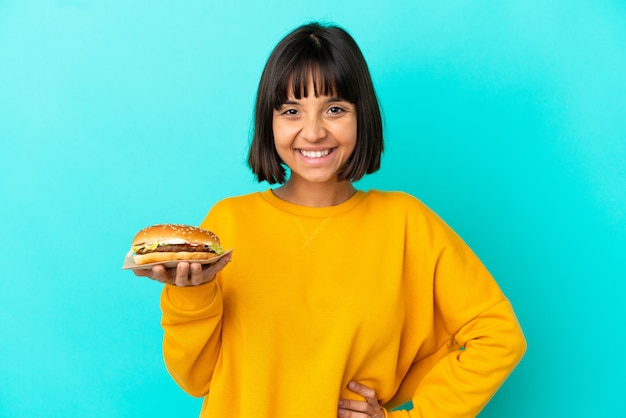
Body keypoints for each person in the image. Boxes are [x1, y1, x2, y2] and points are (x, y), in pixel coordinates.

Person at [134, 22, 526, 418]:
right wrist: (191, 295)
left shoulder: (405, 223)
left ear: (362, 116)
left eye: (335, 109)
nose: (314, 131)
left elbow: (499, 335)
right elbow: (195, 379)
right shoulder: (228, 222)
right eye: (291, 111)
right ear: (269, 123)